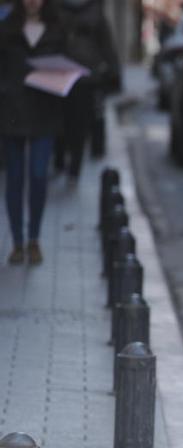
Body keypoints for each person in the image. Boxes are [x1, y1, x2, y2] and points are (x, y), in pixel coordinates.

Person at [0, 0, 68, 265]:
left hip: (44, 111)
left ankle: (34, 239)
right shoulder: (7, 29)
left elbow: (68, 64)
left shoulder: (57, 29)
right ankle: (17, 242)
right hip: (12, 112)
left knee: (39, 175)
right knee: (15, 178)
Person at [54, 0, 119, 178]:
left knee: (78, 123)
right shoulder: (56, 9)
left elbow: (106, 43)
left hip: (84, 76)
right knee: (64, 122)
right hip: (62, 73)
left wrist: (114, 71)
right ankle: (63, 162)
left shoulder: (94, 11)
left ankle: (73, 166)